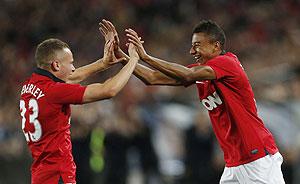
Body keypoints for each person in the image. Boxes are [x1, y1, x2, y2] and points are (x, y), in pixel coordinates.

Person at [100, 19, 285, 183]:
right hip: (234, 162)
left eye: (197, 45)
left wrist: (146, 57)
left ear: (216, 46)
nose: (191, 51)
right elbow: (153, 78)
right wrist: (122, 57)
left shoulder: (228, 63)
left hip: (257, 157)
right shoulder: (203, 72)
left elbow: (187, 73)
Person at [19, 21, 140, 184]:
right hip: (58, 175)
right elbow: (109, 90)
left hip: (41, 174)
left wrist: (103, 63)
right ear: (56, 64)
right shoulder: (55, 91)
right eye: (70, 63)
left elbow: (69, 77)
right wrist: (133, 59)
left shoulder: (30, 85)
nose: (74, 67)